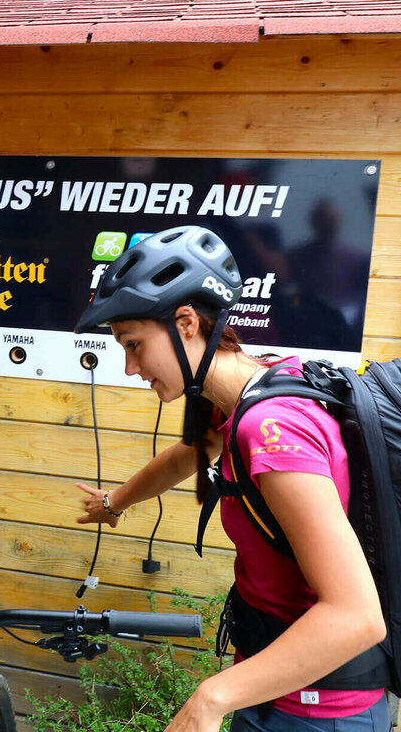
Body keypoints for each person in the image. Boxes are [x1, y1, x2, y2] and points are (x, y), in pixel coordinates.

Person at [73, 225, 389, 732]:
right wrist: (115, 502)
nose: (130, 367)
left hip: (318, 713)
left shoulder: (272, 426)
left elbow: (357, 616)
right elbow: (189, 454)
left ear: (187, 322)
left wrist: (210, 697)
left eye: (134, 345)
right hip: (270, 684)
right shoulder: (252, 387)